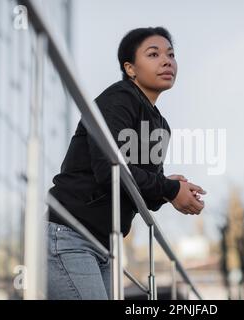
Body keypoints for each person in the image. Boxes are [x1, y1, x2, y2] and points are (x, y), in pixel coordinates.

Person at [46, 27, 206, 300]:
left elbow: (144, 195)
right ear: (130, 68)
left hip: (106, 245)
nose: (167, 61)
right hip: (70, 234)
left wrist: (172, 190)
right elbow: (110, 171)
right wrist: (167, 188)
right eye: (153, 54)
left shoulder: (161, 126)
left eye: (171, 54)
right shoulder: (119, 99)